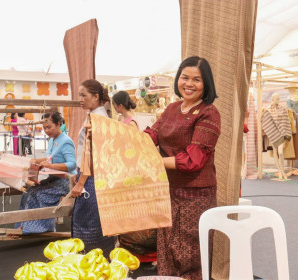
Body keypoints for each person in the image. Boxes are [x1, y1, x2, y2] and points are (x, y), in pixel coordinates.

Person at [144, 56, 221, 280]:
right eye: (185, 77)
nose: (189, 84)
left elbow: (193, 159)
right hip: (167, 191)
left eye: (197, 79)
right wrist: (116, 135)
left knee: (190, 255)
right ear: (178, 79)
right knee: (167, 249)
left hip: (195, 196)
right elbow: (151, 136)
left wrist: (153, 163)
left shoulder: (209, 113)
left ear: (206, 84)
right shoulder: (172, 108)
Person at [113, 90, 157, 270]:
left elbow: (132, 148)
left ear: (120, 106)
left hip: (131, 169)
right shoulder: (123, 121)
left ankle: (145, 255)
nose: (114, 108)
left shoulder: (130, 123)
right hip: (124, 167)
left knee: (135, 215)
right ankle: (131, 252)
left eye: (115, 105)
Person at [70, 79, 115, 258]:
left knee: (89, 224)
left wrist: (81, 182)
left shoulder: (98, 120)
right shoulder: (94, 116)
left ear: (96, 97)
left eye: (83, 95)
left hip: (92, 179)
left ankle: (93, 265)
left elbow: (94, 155)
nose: (80, 99)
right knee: (92, 223)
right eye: (79, 95)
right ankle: (98, 264)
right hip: (90, 176)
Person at [15, 111, 76, 234]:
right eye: (44, 128)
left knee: (37, 194)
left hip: (66, 181)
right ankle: (23, 225)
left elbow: (72, 164)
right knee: (28, 192)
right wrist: (32, 161)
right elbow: (49, 158)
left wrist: (50, 165)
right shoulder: (52, 140)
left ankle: (37, 228)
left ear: (58, 124)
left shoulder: (66, 141)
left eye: (49, 127)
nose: (46, 130)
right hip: (55, 178)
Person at [261, 93, 291, 180]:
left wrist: (285, 132)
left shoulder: (282, 109)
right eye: (277, 99)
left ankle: (282, 171)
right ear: (273, 99)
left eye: (279, 99)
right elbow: (265, 121)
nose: (278, 100)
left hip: (281, 134)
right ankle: (279, 171)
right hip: (273, 133)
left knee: (280, 152)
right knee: (275, 152)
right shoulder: (268, 110)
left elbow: (286, 121)